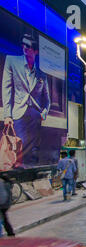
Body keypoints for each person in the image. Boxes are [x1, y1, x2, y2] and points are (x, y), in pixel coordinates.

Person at [2, 33, 50, 167]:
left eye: (28, 46)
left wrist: (43, 113)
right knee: (19, 149)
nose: (25, 48)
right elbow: (6, 88)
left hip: (35, 115)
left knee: (34, 150)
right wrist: (7, 115)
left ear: (35, 51)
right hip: (18, 113)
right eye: (23, 44)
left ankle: (30, 175)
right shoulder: (11, 61)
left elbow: (47, 100)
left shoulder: (41, 74)